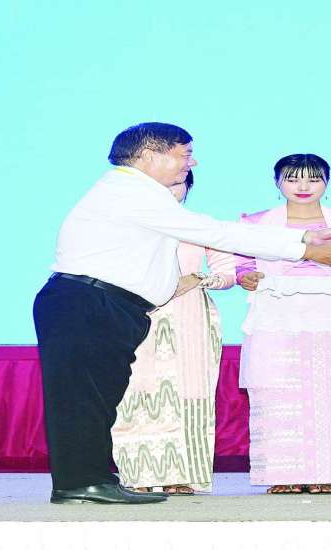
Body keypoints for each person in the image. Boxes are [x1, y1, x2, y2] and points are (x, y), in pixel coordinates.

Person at [33, 123, 331, 505]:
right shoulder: (131, 191)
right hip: (88, 302)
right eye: (185, 155)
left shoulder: (136, 191)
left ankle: (87, 480)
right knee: (83, 399)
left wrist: (305, 238)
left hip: (103, 305)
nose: (191, 163)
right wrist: (305, 246)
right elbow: (213, 232)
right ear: (151, 155)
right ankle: (82, 483)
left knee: (96, 398)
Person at [236, 153, 331, 495]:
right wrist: (244, 277)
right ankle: (281, 473)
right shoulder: (255, 223)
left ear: (326, 183)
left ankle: (327, 473)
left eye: (313, 179)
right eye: (292, 178)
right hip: (278, 317)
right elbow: (243, 264)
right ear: (277, 182)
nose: (303, 186)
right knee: (278, 388)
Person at [111, 171, 236, 495]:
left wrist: (199, 279)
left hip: (188, 313)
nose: (169, 191)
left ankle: (182, 474)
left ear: (189, 187)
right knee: (135, 392)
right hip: (136, 312)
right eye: (160, 186)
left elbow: (227, 273)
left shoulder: (201, 225)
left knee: (189, 392)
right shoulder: (125, 225)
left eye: (176, 184)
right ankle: (137, 475)